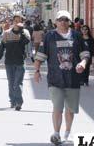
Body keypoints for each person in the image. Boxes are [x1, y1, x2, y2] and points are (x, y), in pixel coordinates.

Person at [34, 10, 90, 144]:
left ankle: (68, 132)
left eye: (66, 19)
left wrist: (82, 63)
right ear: (56, 22)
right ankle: (56, 133)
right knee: (57, 108)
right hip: (55, 78)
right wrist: (36, 71)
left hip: (73, 78)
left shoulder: (77, 36)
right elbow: (41, 55)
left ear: (70, 22)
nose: (63, 22)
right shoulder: (49, 36)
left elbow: (85, 54)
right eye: (60, 19)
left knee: (70, 109)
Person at [0, 13, 31, 111]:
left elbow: (26, 42)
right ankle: (13, 101)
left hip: (20, 62)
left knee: (18, 83)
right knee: (11, 83)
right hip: (9, 62)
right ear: (12, 22)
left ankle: (19, 102)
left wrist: (21, 31)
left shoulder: (25, 32)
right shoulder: (6, 33)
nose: (17, 23)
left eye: (19, 21)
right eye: (16, 21)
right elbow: (1, 47)